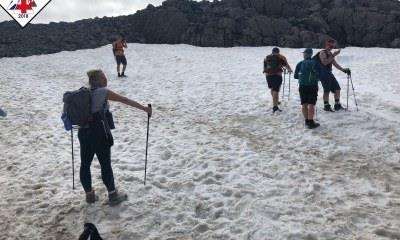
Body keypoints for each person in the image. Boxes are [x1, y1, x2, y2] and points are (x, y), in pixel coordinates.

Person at [79, 69, 152, 205]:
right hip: (99, 132)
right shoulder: (103, 92)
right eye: (103, 77)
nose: (106, 79)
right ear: (99, 79)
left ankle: (89, 195)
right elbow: (124, 100)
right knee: (105, 164)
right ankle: (113, 196)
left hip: (83, 132)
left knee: (85, 164)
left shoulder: (83, 93)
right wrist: (144, 108)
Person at [316, 39, 351, 112]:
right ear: (326, 45)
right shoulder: (322, 52)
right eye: (330, 45)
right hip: (323, 74)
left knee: (337, 89)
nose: (331, 47)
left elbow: (335, 64)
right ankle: (326, 106)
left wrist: (343, 70)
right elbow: (325, 62)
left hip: (329, 73)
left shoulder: (330, 54)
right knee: (327, 90)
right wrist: (334, 55)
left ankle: (337, 105)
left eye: (332, 46)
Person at [294, 48, 320, 129]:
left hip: (302, 86)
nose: (303, 54)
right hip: (312, 85)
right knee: (311, 104)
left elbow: (295, 76)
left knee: (304, 103)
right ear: (311, 54)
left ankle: (306, 121)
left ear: (306, 54)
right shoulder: (315, 63)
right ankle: (311, 122)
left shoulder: (300, 63)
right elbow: (319, 75)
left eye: (304, 53)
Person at [263, 47, 293, 113]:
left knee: (272, 89)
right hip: (277, 75)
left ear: (272, 51)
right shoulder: (280, 57)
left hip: (268, 76)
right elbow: (286, 65)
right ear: (278, 52)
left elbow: (265, 67)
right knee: (276, 90)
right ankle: (275, 107)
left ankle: (276, 101)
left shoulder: (267, 58)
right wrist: (290, 70)